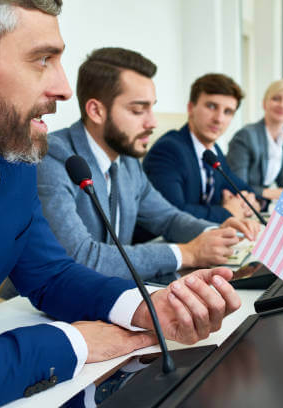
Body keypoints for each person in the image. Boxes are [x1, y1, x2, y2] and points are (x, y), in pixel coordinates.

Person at [0, 2, 240, 406]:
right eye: (42, 59)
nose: (65, 89)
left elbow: (49, 274)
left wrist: (149, 306)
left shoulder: (10, 153)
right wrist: (74, 343)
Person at [37, 48, 259, 281]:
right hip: (33, 307)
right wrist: (188, 253)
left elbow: (168, 217)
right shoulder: (52, 157)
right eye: (138, 110)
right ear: (96, 111)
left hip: (108, 293)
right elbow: (81, 257)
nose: (152, 122)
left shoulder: (128, 162)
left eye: (152, 107)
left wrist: (214, 233)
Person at [143, 73, 260, 224]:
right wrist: (227, 212)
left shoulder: (214, 151)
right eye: (211, 106)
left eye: (228, 112)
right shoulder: (168, 150)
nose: (219, 119)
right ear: (191, 108)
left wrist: (248, 200)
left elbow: (239, 186)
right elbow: (173, 212)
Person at [226, 79, 283, 201]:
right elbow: (238, 186)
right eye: (276, 98)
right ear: (264, 103)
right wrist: (274, 193)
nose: (282, 105)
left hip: (261, 204)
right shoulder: (246, 135)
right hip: (239, 203)